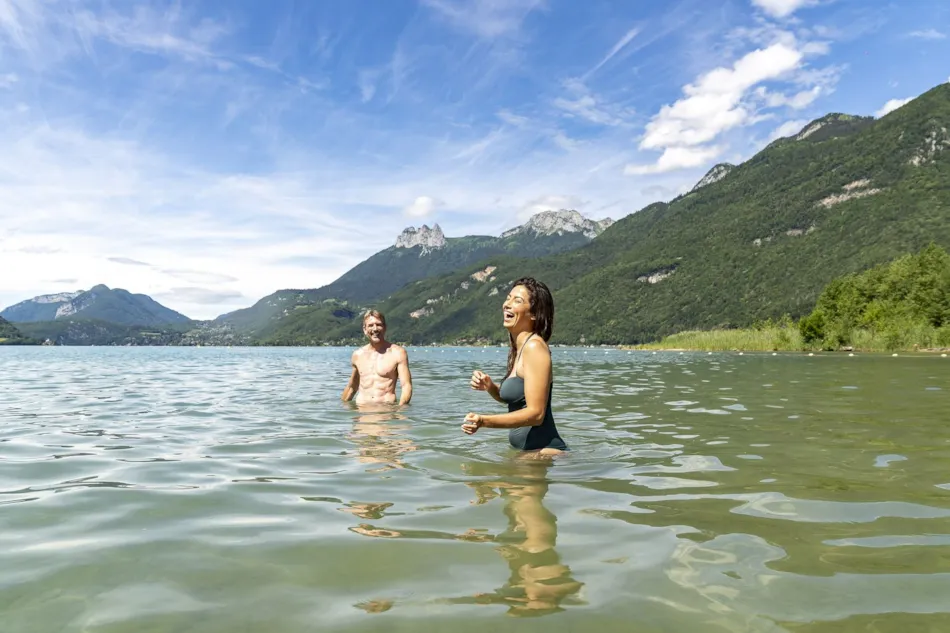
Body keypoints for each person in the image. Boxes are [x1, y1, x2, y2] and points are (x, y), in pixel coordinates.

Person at [463, 277, 567, 454]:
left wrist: (484, 421)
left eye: (517, 301)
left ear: (534, 313)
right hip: (528, 452)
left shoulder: (534, 347)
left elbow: (536, 414)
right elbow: (518, 402)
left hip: (543, 452)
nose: (507, 304)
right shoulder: (518, 349)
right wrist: (491, 387)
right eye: (508, 298)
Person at [342, 310, 412, 406]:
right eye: (370, 325)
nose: (375, 329)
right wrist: (340, 411)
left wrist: (400, 411)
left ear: (385, 327)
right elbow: (352, 387)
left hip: (386, 412)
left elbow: (406, 386)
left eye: (378, 325)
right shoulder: (357, 355)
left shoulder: (398, 353)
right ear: (364, 329)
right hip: (361, 413)